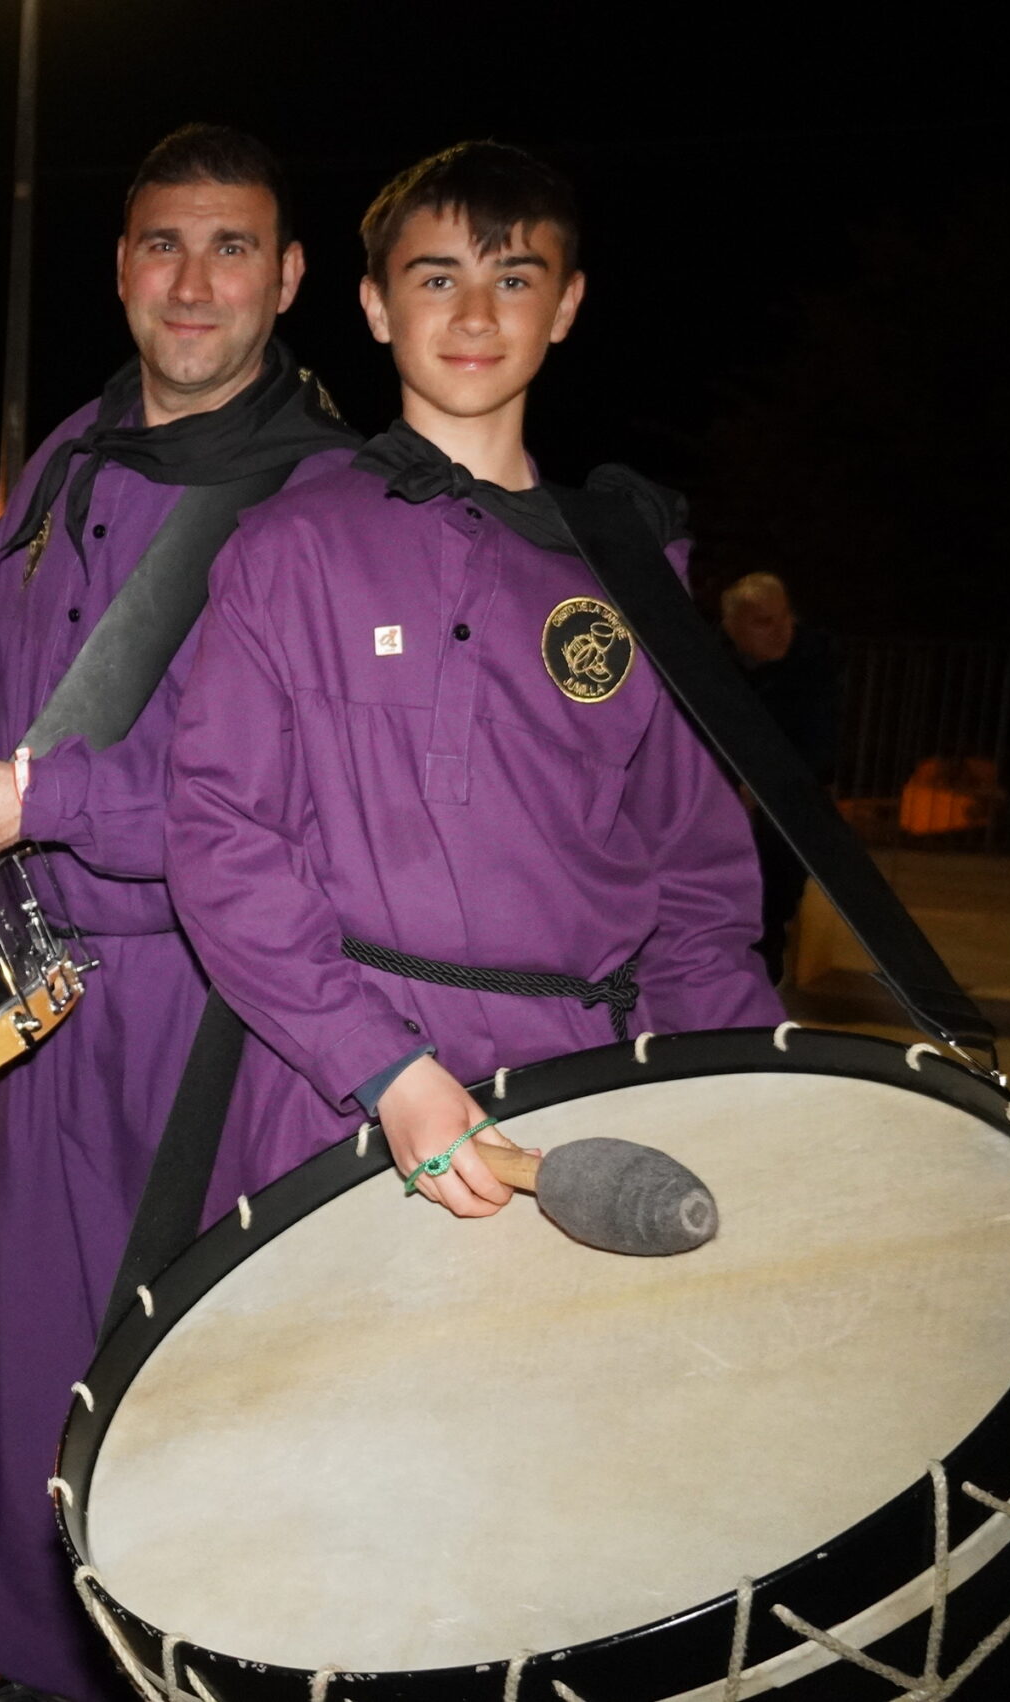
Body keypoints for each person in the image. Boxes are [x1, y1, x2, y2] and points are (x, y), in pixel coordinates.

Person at [0, 125, 354, 1702]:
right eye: (163, 244)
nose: (193, 280)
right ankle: (37, 1658)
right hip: (41, 965)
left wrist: (47, 799)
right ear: (120, 268)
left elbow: (292, 793)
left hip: (214, 997)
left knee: (182, 1357)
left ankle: (175, 1671)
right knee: (31, 1341)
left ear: (289, 277)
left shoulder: (331, 496)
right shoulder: (74, 449)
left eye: (232, 247)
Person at [166, 140, 781, 1227]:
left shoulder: (629, 569)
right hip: (337, 1090)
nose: (477, 315)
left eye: (515, 278)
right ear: (375, 305)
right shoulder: (288, 549)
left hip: (580, 1091)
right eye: (438, 277)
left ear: (566, 305)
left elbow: (695, 888)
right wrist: (382, 1066)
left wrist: (747, 1101)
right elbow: (222, 836)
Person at [721, 571, 838, 979]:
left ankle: (762, 966)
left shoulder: (812, 663)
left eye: (785, 616)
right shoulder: (712, 665)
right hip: (725, 797)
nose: (780, 630)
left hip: (786, 801)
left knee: (775, 876)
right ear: (733, 627)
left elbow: (819, 748)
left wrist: (766, 786)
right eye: (764, 621)